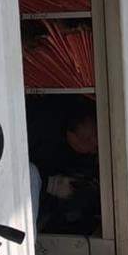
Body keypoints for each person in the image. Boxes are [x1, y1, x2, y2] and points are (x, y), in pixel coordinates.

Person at [27, 98, 100, 233]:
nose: (93, 139)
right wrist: (51, 184)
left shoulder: (77, 164)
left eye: (95, 146)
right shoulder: (47, 117)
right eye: (95, 130)